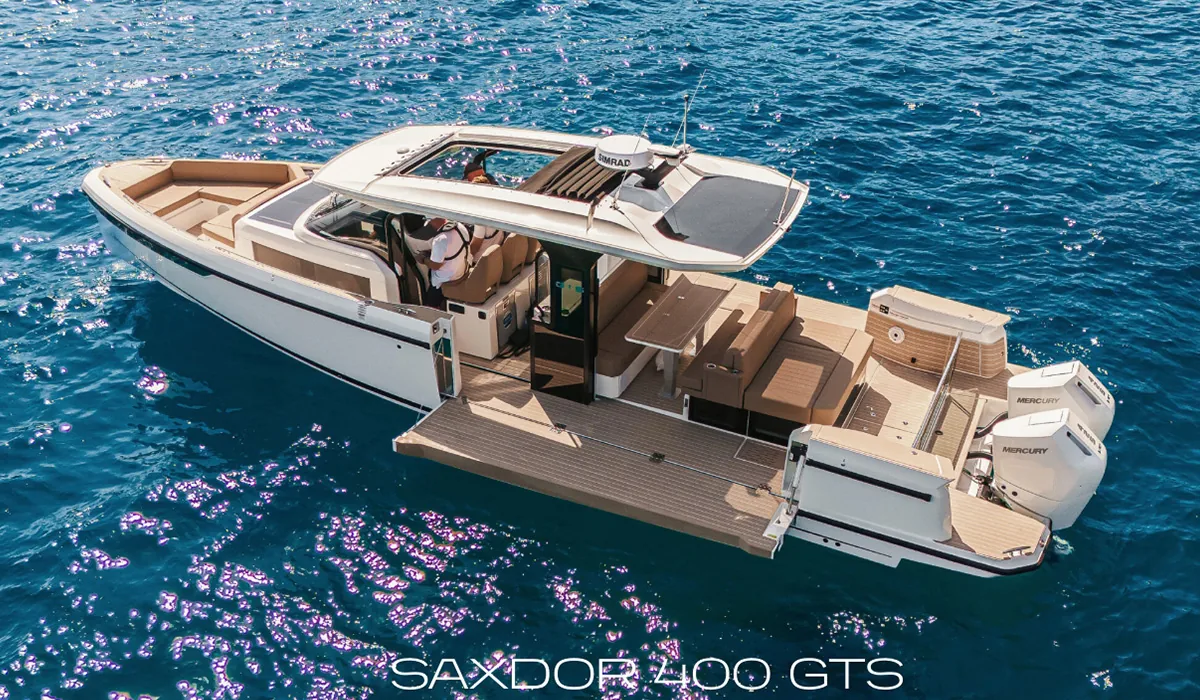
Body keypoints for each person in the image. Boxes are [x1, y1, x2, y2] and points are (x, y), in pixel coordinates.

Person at [413, 217, 470, 309]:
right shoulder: (460, 227)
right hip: (461, 271)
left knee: (430, 306)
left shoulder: (440, 240)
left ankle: (433, 307)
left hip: (446, 279)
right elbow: (451, 249)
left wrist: (423, 259)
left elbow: (435, 266)